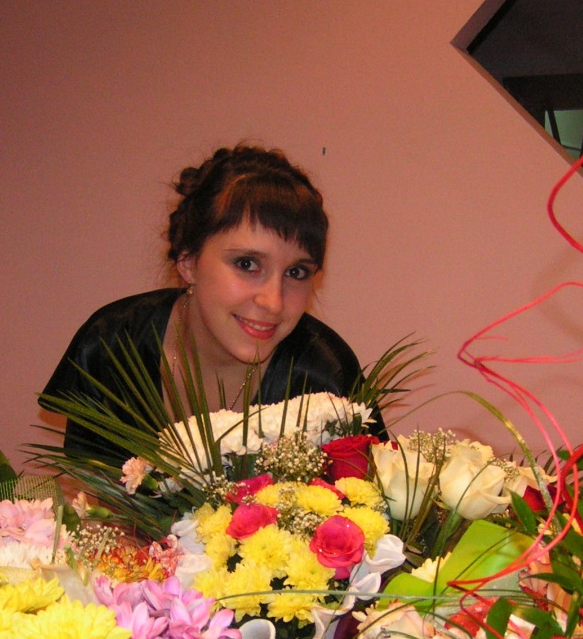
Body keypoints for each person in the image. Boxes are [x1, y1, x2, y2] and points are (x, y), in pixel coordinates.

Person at [40, 144, 379, 463]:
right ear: (188, 261)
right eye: (247, 264)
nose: (274, 302)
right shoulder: (114, 343)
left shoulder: (323, 374)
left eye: (296, 272)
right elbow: (93, 495)